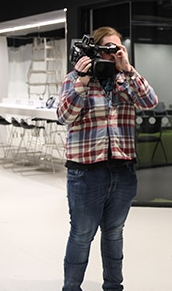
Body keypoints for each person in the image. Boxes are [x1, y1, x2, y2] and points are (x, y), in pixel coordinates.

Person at [57, 26, 158, 291]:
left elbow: (150, 102)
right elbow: (64, 116)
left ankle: (114, 287)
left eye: (117, 48)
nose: (112, 54)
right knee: (82, 235)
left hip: (123, 170)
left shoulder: (126, 80)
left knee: (114, 233)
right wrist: (81, 81)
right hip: (86, 172)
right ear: (95, 49)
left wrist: (129, 69)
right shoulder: (74, 78)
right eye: (107, 48)